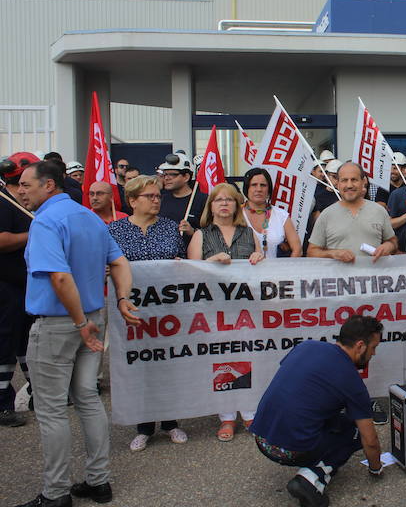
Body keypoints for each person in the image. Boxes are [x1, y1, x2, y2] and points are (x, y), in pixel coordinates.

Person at [14, 159, 137, 507]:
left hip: (62, 324)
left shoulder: (46, 222)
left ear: (48, 185)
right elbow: (119, 262)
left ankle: (55, 494)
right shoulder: (88, 217)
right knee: (87, 399)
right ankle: (98, 481)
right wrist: (122, 299)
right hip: (89, 318)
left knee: (52, 409)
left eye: (26, 184)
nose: (21, 191)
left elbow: (59, 277)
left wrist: (81, 324)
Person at [250, 316, 385, 507]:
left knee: (336, 417)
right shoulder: (352, 382)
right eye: (374, 348)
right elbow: (370, 441)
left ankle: (312, 464)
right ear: (360, 346)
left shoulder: (306, 346)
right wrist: (375, 469)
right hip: (290, 451)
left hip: (262, 438)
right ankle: (311, 478)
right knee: (355, 432)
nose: (373, 354)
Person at [108, 175, 188, 451]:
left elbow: (182, 263)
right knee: (139, 365)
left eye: (158, 196)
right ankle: (143, 425)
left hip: (167, 311)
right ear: (132, 201)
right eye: (150, 196)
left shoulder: (169, 228)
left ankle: (170, 422)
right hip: (131, 309)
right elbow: (108, 264)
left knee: (167, 364)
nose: (156, 200)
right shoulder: (115, 231)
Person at [187, 183, 264, 441]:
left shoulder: (248, 232)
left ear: (237, 205)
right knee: (222, 362)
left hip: (245, 308)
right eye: (218, 200)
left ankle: (249, 411)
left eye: (229, 200)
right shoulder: (201, 234)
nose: (224, 204)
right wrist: (210, 263)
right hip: (214, 309)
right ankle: (227, 417)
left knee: (247, 357)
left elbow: (262, 263)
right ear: (211, 206)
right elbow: (191, 271)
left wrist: (258, 258)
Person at [0, 152, 39, 427]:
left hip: (28, 285)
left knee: (28, 340)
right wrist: (37, 231)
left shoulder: (30, 204)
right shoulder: (4, 203)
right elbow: (2, 240)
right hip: (6, 287)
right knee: (5, 343)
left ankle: (36, 390)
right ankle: (2, 402)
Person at [308, 162, 398, 263]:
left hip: (372, 276)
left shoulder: (379, 211)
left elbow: (392, 242)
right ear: (337, 183)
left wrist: (388, 246)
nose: (349, 185)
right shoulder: (326, 215)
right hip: (339, 277)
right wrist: (332, 253)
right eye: (344, 180)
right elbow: (312, 252)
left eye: (354, 180)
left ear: (363, 181)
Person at [241, 168, 302, 258]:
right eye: (254, 185)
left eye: (263, 185)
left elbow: (297, 250)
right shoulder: (236, 214)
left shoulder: (281, 215)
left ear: (269, 189)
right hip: (242, 271)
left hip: (276, 271)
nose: (259, 189)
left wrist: (287, 271)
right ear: (247, 188)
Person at [158, 152, 206, 237]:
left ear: (186, 177)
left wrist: (193, 232)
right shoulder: (160, 198)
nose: (167, 178)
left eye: (173, 174)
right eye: (165, 174)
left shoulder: (203, 200)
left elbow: (212, 232)